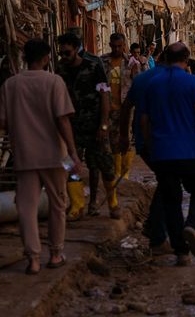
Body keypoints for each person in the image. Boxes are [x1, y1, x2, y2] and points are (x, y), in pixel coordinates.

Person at [0, 39, 82, 275]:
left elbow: (3, 123)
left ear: (25, 57)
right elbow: (63, 120)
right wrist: (74, 153)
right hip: (55, 156)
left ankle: (33, 259)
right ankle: (55, 254)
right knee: (58, 205)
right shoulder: (54, 81)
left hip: (24, 156)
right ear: (46, 58)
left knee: (26, 208)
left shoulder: (10, 85)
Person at [142, 42, 195, 266]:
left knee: (171, 201)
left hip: (162, 152)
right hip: (189, 150)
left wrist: (151, 147)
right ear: (186, 60)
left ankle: (181, 252)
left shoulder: (152, 83)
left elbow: (145, 121)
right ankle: (192, 224)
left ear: (165, 59)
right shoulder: (190, 82)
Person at [57, 33, 119, 219]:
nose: (64, 57)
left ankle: (113, 203)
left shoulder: (94, 66)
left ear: (76, 50)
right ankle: (77, 205)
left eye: (67, 53)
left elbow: (104, 96)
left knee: (105, 165)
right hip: (71, 128)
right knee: (70, 166)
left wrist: (104, 125)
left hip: (95, 126)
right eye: (61, 53)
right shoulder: (61, 69)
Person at [120, 49, 169, 254]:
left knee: (167, 182)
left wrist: (124, 136)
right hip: (165, 141)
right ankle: (155, 231)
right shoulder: (170, 80)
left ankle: (156, 230)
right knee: (169, 183)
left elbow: (126, 107)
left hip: (143, 141)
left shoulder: (141, 79)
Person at [101, 33, 137, 185]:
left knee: (126, 138)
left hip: (125, 108)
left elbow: (137, 84)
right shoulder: (103, 62)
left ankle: (125, 172)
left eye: (119, 46)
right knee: (111, 141)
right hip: (108, 107)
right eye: (114, 46)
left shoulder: (131, 63)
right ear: (110, 45)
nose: (116, 49)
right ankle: (116, 171)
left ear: (124, 46)